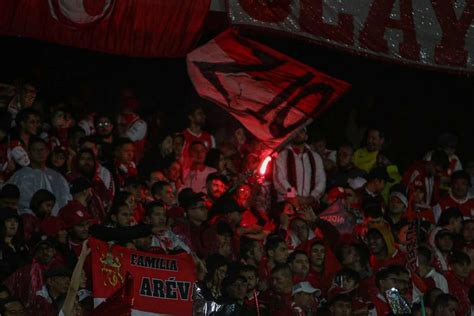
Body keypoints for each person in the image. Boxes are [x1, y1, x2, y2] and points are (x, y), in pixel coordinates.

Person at [7, 137, 71, 215]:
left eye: (42, 150)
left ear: (47, 151)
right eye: (35, 150)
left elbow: (65, 200)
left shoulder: (58, 177)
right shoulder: (20, 176)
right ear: (28, 153)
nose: (39, 153)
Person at [273, 127, 326, 207]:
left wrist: (312, 197)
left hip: (310, 204)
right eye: (295, 131)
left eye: (301, 131)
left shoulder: (315, 157)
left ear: (306, 136)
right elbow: (279, 180)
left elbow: (321, 180)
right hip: (288, 203)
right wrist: (295, 196)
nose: (298, 134)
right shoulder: (282, 156)